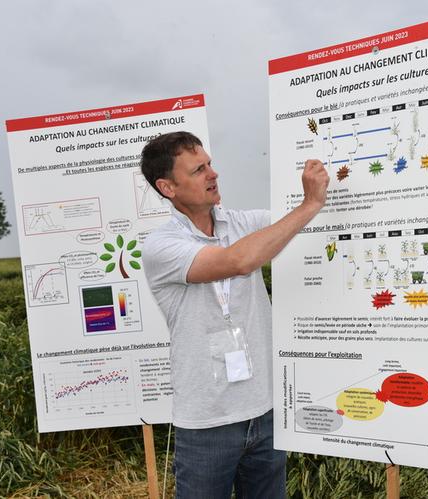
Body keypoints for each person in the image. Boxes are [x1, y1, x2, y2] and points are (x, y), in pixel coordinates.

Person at [140, 131, 329, 499]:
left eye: (210, 164)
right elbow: (237, 262)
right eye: (198, 170)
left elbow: (289, 228)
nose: (213, 174)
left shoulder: (243, 224)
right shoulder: (161, 246)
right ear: (168, 187)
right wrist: (309, 204)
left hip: (266, 411)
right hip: (208, 424)